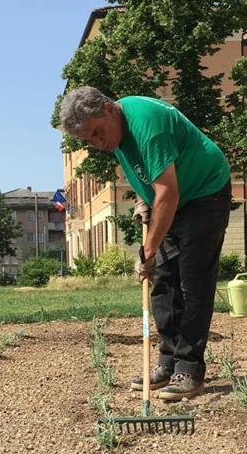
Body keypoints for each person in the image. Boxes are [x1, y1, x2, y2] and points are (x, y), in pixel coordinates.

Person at [59, 86, 231, 402]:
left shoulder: (147, 126)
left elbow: (168, 193)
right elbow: (150, 178)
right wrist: (142, 198)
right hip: (172, 200)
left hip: (205, 193)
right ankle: (167, 362)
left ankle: (189, 369)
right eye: (89, 141)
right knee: (164, 283)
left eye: (97, 133)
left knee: (193, 283)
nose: (98, 143)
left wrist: (148, 250)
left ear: (109, 109)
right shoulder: (116, 133)